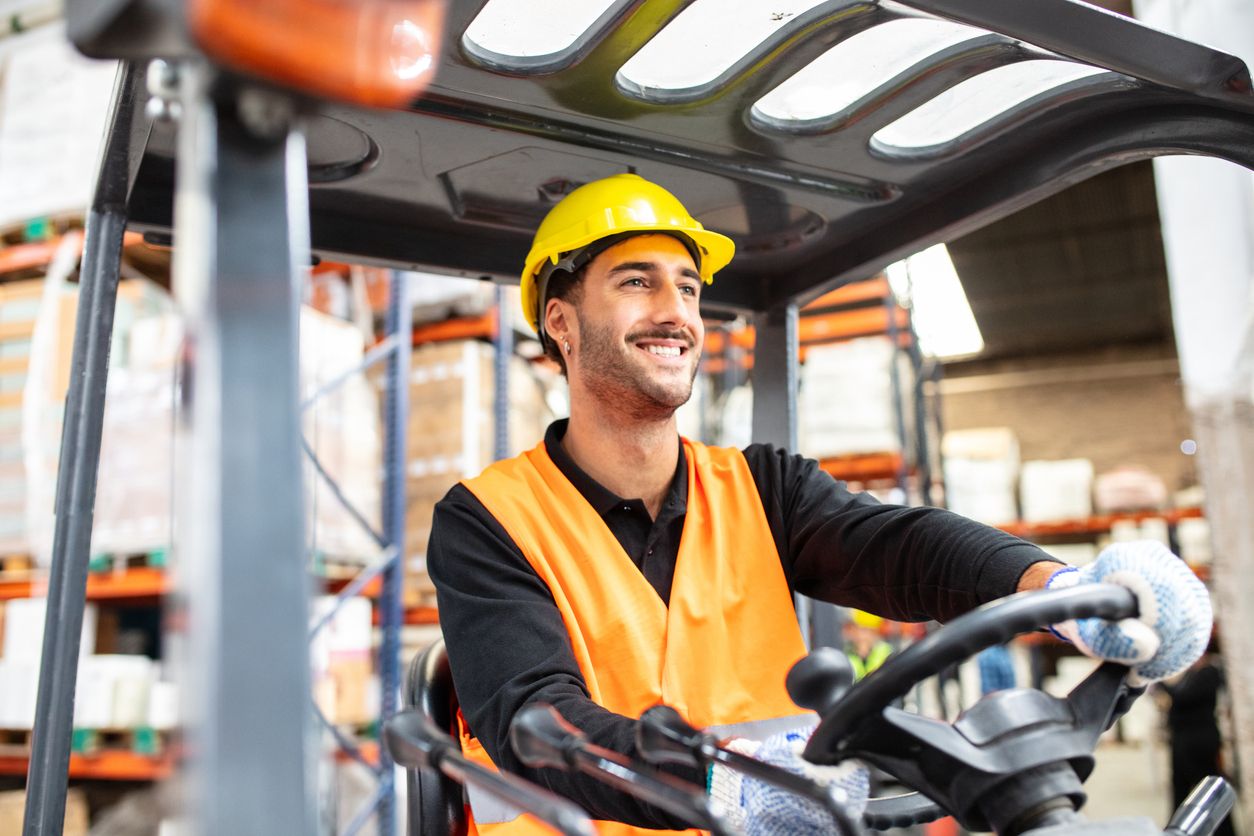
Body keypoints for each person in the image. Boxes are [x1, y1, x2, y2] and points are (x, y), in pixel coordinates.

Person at [427, 174, 1213, 835]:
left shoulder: (761, 488)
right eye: (638, 281)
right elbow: (534, 719)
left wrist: (1058, 591)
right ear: (560, 322)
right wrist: (720, 784)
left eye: (690, 288)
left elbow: (900, 548)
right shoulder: (488, 519)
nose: (676, 311)